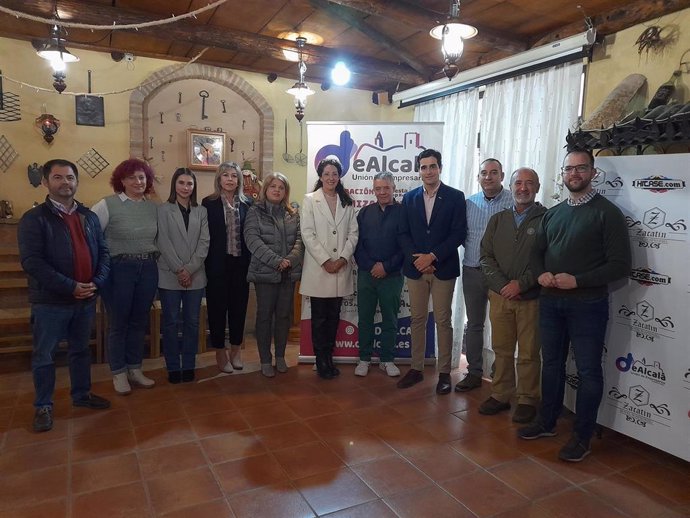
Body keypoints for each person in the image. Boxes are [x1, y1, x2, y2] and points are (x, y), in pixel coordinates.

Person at [518, 149, 631, 462]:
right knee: (551, 364)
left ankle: (582, 436)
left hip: (588, 305)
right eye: (569, 169)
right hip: (551, 303)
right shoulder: (553, 213)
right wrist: (540, 274)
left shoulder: (608, 213)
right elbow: (535, 253)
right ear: (563, 174)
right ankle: (547, 422)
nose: (575, 174)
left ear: (593, 172)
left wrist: (578, 281)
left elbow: (620, 266)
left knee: (588, 371)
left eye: (581, 168)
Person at [18, 159, 111, 432]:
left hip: (85, 298)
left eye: (70, 177)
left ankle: (81, 394)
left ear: (76, 181)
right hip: (51, 301)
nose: (65, 183)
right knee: (45, 355)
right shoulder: (34, 219)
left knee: (81, 351)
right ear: (46, 182)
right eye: (58, 178)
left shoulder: (88, 216)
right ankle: (43, 405)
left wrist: (97, 281)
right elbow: (32, 262)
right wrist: (69, 285)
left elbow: (103, 253)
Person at [397, 149, 467, 394]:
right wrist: (418, 260)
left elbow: (458, 233)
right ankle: (416, 369)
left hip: (443, 267)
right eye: (424, 167)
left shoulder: (456, 197)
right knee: (417, 319)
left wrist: (433, 256)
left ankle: (445, 372)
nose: (428, 171)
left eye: (432, 166)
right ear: (419, 170)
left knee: (442, 320)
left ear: (440, 168)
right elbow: (403, 233)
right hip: (416, 269)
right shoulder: (410, 198)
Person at [479, 168, 546, 423]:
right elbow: (485, 257)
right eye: (519, 183)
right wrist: (503, 285)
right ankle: (500, 394)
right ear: (512, 186)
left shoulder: (547, 218)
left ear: (537, 188)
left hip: (531, 298)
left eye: (530, 183)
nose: (523, 188)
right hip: (500, 297)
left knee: (529, 352)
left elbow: (549, 258)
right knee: (502, 349)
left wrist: (522, 285)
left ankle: (528, 398)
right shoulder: (498, 219)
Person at [92, 158, 159, 395]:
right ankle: (118, 372)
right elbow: (91, 238)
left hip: (148, 268)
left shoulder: (153, 207)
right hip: (119, 270)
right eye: (132, 177)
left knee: (139, 321)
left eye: (142, 177)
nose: (138, 181)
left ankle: (135, 368)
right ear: (122, 180)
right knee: (118, 322)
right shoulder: (107, 204)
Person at [455, 158, 513, 393]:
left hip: (502, 275)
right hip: (472, 270)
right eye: (483, 173)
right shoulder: (469, 203)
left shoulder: (514, 201)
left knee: (502, 327)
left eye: (493, 172)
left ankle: (500, 374)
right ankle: (475, 372)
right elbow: (461, 235)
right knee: (475, 325)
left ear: (502, 175)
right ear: (478, 177)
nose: (488, 177)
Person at [300, 158, 358, 380]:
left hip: (340, 269)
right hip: (319, 269)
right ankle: (320, 359)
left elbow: (354, 234)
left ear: (339, 176)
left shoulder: (347, 202)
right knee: (319, 319)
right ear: (320, 176)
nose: (331, 178)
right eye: (327, 174)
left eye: (335, 174)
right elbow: (307, 233)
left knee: (333, 317)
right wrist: (326, 260)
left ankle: (329, 357)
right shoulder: (310, 200)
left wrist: (342, 258)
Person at [244, 172, 303, 377]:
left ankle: (279, 356)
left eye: (281, 187)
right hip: (265, 274)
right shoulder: (255, 212)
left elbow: (299, 241)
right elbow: (253, 241)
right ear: (266, 189)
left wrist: (290, 261)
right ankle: (265, 359)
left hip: (288, 274)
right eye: (273, 186)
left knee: (284, 317)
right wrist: (277, 261)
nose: (277, 190)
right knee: (265, 317)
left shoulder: (292, 213)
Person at [156, 168, 209, 384]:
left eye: (189, 183)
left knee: (192, 322)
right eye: (181, 183)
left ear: (194, 187)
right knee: (169, 322)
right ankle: (172, 366)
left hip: (195, 276)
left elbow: (204, 242)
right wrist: (180, 269)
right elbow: (162, 242)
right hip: (170, 275)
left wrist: (190, 269)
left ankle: (188, 365)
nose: (185, 187)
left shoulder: (201, 211)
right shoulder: (162, 209)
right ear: (174, 185)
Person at [203, 161, 252, 373]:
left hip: (241, 264)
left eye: (234, 175)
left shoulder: (248, 203)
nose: (230, 179)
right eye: (226, 175)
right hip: (217, 264)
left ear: (239, 180)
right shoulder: (208, 203)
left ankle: (236, 350)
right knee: (217, 310)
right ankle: (220, 352)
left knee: (238, 309)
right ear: (219, 179)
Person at [354, 172, 404, 377]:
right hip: (366, 274)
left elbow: (405, 247)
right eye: (378, 188)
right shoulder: (364, 213)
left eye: (386, 188)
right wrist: (371, 265)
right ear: (373, 190)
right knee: (365, 318)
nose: (382, 192)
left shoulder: (404, 213)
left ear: (394, 188)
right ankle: (364, 358)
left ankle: (387, 359)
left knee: (390, 319)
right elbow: (357, 245)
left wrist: (386, 267)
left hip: (392, 276)